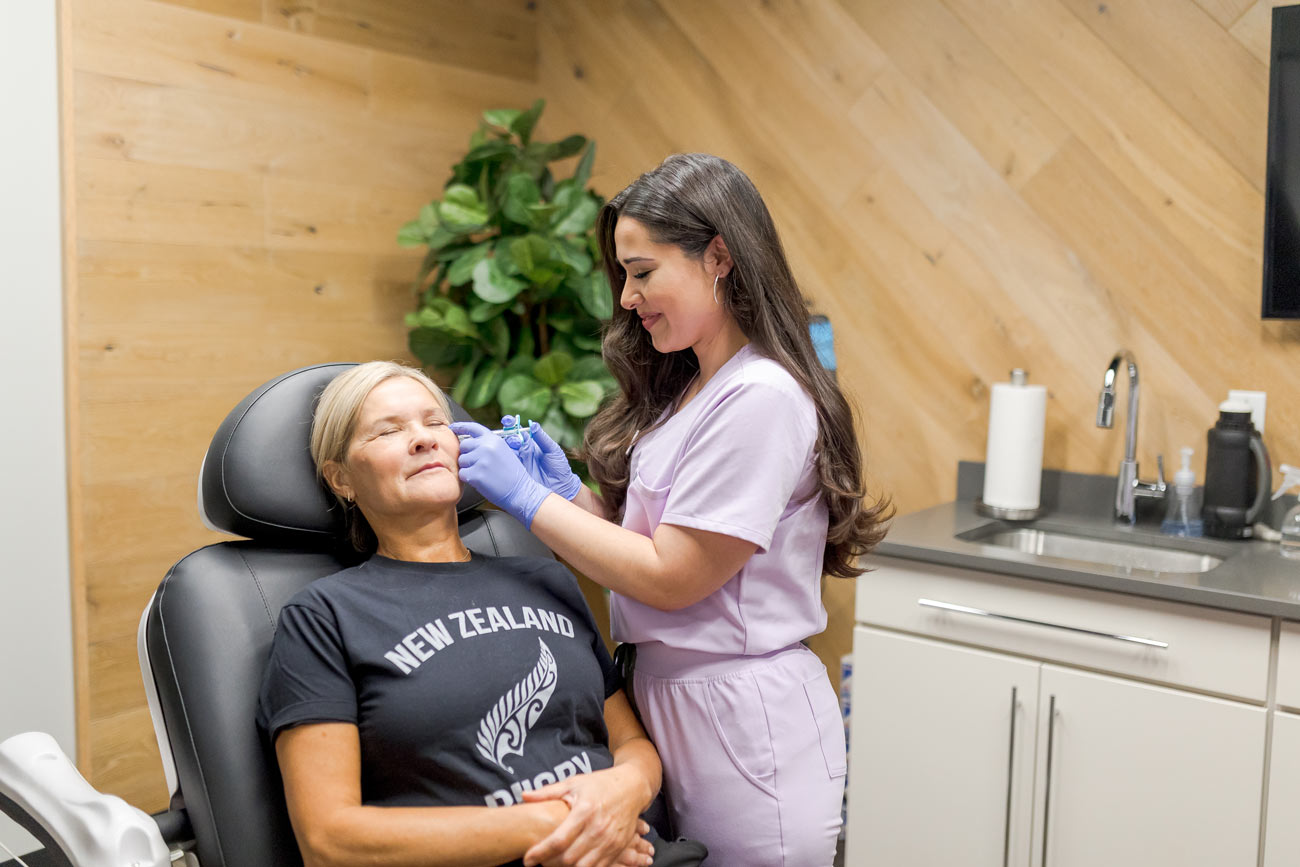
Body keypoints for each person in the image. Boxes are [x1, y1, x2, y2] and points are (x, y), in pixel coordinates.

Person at [453, 153, 892, 866]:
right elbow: (650, 546)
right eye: (624, 275)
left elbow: (673, 576)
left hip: (743, 719)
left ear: (719, 255)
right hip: (668, 700)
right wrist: (571, 495)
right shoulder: (696, 389)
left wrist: (531, 502)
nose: (626, 296)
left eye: (642, 271)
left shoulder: (763, 396)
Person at [256, 361, 704, 867]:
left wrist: (624, 789)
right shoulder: (323, 618)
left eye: (435, 422)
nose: (423, 439)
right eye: (389, 430)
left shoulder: (545, 578)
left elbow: (630, 742)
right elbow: (330, 839)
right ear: (341, 479)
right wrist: (564, 824)